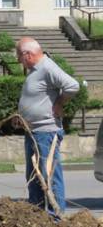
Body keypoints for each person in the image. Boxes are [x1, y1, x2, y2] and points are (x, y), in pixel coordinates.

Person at [15, 37, 79, 216]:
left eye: (19, 57)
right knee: (34, 177)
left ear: (27, 54)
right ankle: (37, 216)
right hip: (32, 131)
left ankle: (55, 217)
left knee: (49, 175)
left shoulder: (47, 67)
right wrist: (23, 116)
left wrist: (59, 103)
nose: (19, 61)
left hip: (46, 132)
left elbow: (72, 86)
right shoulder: (35, 71)